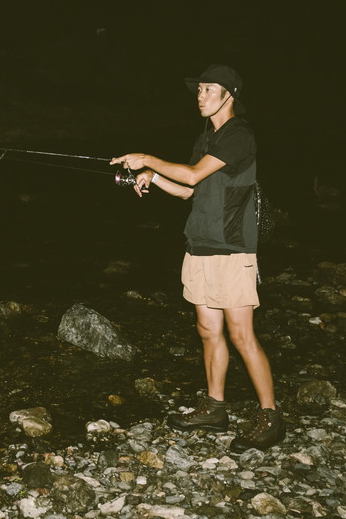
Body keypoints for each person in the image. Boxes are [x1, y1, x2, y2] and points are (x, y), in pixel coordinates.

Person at [110, 64, 285, 452]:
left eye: (208, 89)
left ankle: (271, 417)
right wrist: (154, 177)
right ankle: (214, 408)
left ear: (229, 95)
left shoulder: (239, 135)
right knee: (208, 330)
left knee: (241, 335)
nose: (200, 96)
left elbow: (191, 175)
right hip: (200, 245)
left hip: (232, 248)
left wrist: (147, 158)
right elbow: (189, 190)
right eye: (199, 90)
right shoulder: (206, 137)